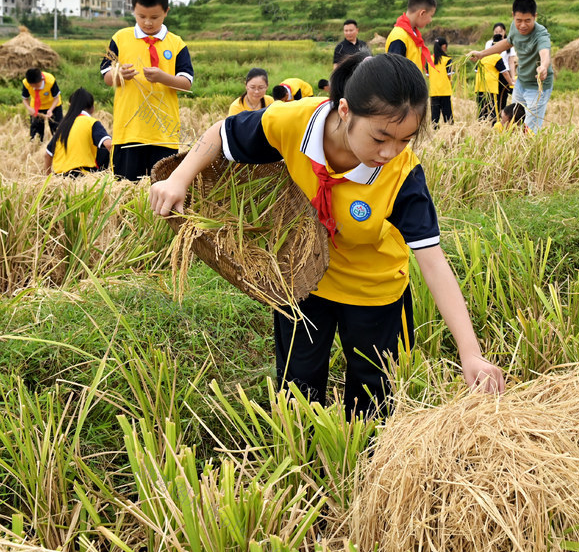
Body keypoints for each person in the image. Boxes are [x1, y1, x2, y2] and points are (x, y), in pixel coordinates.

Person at [149, 53, 506, 418]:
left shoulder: (402, 174)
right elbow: (222, 135)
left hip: (374, 291)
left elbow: (432, 261)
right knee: (296, 391)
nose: (390, 152)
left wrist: (470, 352)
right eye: (381, 137)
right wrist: (179, 178)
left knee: (373, 401)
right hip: (302, 276)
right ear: (346, 110)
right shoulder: (293, 122)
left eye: (405, 140)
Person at [100, 0, 193, 181]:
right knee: (125, 190)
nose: (148, 23)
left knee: (162, 190)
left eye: (154, 17)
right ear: (133, 10)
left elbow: (186, 83)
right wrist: (118, 75)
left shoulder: (176, 43)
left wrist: (163, 77)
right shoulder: (120, 38)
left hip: (164, 135)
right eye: (142, 16)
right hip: (128, 132)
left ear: (166, 11)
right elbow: (106, 75)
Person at [469, 0, 554, 132]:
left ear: (535, 17)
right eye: (519, 20)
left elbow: (545, 53)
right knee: (513, 120)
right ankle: (512, 149)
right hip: (521, 82)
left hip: (537, 87)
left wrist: (543, 67)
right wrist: (482, 54)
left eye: (528, 20)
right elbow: (507, 42)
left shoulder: (541, 34)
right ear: (513, 15)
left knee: (530, 128)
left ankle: (528, 151)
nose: (523, 25)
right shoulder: (515, 27)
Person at [43, 88, 111, 177]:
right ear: (92, 108)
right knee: (102, 147)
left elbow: (47, 155)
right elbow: (109, 145)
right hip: (82, 176)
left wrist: (48, 178)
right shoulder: (91, 122)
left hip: (60, 178)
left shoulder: (62, 126)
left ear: (69, 106)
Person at [386, 0, 437, 75]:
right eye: (431, 16)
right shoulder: (399, 37)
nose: (430, 20)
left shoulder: (413, 35)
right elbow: (394, 74)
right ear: (422, 13)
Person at [475, 35, 513, 122]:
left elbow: (476, 71)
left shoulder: (482, 57)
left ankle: (480, 124)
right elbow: (505, 73)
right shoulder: (497, 57)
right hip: (490, 87)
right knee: (494, 108)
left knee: (482, 108)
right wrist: (511, 84)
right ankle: (494, 125)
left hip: (479, 86)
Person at [22, 68, 62, 142]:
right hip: (36, 107)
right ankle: (36, 146)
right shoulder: (26, 83)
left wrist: (50, 110)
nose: (34, 88)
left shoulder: (50, 80)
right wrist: (29, 108)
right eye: (32, 86)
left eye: (37, 85)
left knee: (58, 130)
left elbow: (56, 98)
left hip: (53, 105)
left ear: (42, 80)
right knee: (35, 133)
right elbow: (25, 99)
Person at [485, 22, 515, 109]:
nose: (498, 33)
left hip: (505, 73)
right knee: (492, 95)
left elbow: (511, 62)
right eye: (496, 31)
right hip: (492, 73)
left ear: (505, 32)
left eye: (500, 31)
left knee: (503, 95)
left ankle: (502, 113)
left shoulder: (509, 44)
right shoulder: (489, 43)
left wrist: (512, 76)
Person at [427, 37, 454, 126]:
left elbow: (428, 76)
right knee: (448, 117)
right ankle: (450, 133)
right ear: (444, 46)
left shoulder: (429, 60)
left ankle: (435, 134)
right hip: (445, 91)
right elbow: (449, 75)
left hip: (434, 91)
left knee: (435, 117)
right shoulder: (447, 60)